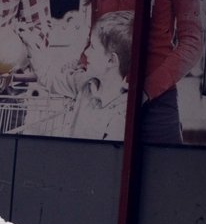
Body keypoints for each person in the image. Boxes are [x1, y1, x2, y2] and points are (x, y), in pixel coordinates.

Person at [85, 0, 204, 143]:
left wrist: (145, 91)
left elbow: (192, 42)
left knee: (162, 166)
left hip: (155, 101)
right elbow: (93, 39)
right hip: (105, 98)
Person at [23, 11, 134, 141]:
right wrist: (31, 47)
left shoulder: (122, 113)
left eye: (92, 47)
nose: (86, 52)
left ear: (111, 61)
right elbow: (49, 77)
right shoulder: (85, 82)